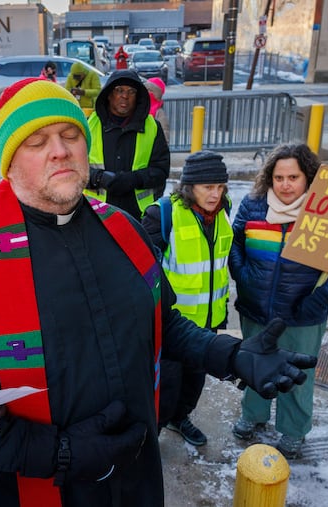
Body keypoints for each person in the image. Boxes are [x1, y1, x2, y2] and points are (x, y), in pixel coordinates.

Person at [0, 78, 316, 506]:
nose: (59, 150)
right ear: (7, 162)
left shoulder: (123, 230)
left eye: (70, 135)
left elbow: (161, 322)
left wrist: (229, 355)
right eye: (36, 140)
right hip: (33, 490)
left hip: (135, 479)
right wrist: (60, 453)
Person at [229, 143, 328, 459]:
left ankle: (294, 430)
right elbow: (236, 243)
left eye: (293, 177)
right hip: (257, 309)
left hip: (302, 314)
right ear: (269, 177)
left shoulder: (326, 212)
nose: (285, 185)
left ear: (308, 177)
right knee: (255, 366)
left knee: (298, 375)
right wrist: (242, 274)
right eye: (279, 177)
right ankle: (253, 415)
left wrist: (322, 299)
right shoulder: (253, 205)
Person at [142, 151, 233, 447]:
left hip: (208, 322)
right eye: (208, 187)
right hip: (174, 327)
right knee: (164, 389)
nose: (215, 194)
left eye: (220, 187)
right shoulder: (163, 215)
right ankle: (150, 437)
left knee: (194, 384)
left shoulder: (223, 211)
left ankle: (180, 419)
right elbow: (144, 273)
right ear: (189, 186)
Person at [84, 69, 170, 219]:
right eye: (119, 90)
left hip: (140, 216)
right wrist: (99, 178)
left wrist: (133, 179)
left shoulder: (153, 127)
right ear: (109, 95)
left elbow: (161, 171)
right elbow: (73, 168)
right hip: (96, 215)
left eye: (131, 92)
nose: (125, 96)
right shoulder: (88, 126)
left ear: (138, 97)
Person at [144, 77, 169, 143]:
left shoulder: (138, 105)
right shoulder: (159, 111)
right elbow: (164, 131)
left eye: (150, 90)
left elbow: (164, 130)